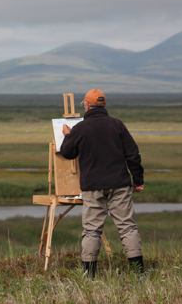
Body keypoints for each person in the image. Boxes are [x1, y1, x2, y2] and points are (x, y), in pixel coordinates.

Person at [60, 89, 145, 278]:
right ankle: (139, 274)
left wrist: (68, 135)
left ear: (87, 106)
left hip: (92, 187)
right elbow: (133, 155)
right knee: (128, 227)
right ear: (104, 105)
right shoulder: (117, 125)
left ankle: (89, 276)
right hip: (120, 184)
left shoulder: (80, 129)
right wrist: (138, 181)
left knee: (91, 230)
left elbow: (67, 153)